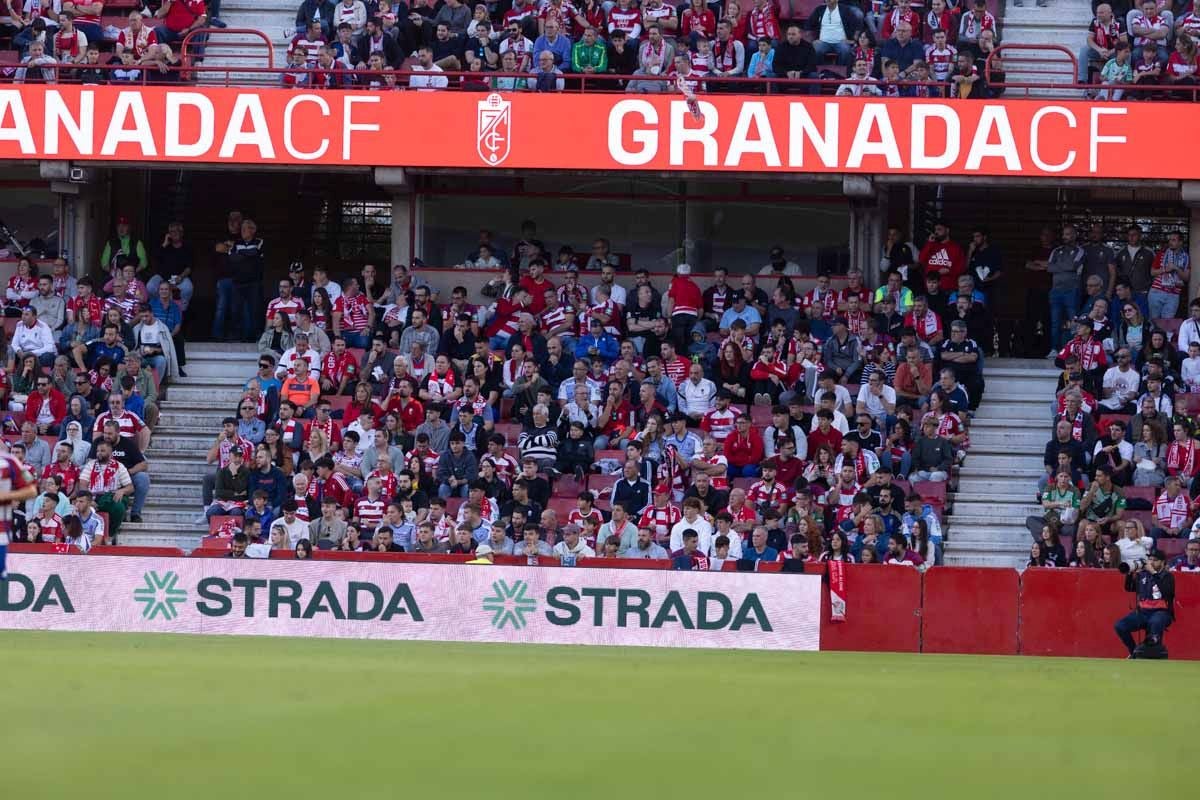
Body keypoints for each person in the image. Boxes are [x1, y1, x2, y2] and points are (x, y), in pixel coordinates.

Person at [1114, 548, 1175, 658]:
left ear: (1162, 562)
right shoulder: (1143, 574)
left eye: (1155, 560)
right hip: (1143, 612)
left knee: (1155, 622)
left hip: (1161, 612)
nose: (1151, 562)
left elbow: (1167, 592)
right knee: (1120, 626)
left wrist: (1154, 573)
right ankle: (1134, 652)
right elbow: (1129, 588)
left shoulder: (1167, 576)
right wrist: (1129, 574)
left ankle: (1150, 651)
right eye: (1149, 559)